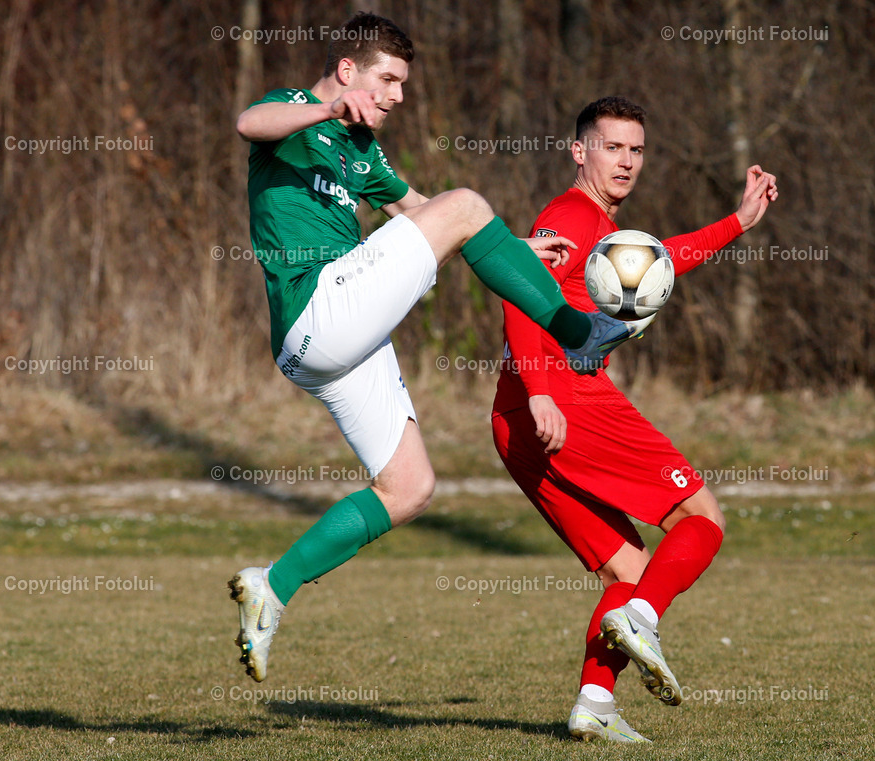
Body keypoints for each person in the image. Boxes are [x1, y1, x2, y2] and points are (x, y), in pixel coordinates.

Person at [227, 13, 639, 684]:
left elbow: (419, 207)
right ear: (347, 69)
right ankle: (577, 332)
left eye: (403, 84)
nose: (395, 96)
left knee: (410, 486)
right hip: (319, 307)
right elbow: (250, 124)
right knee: (468, 202)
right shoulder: (298, 111)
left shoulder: (360, 150)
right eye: (386, 80)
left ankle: (271, 587)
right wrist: (327, 108)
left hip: (330, 343)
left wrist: (508, 248)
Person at [491, 96, 778, 742]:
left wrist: (738, 220)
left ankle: (595, 700)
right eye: (611, 146)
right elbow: (518, 285)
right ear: (578, 151)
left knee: (628, 568)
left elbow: (662, 259)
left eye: (636, 149)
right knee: (702, 516)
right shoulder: (570, 213)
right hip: (563, 403)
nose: (625, 161)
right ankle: (644, 616)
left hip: (517, 422)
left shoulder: (601, 227)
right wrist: (541, 390)